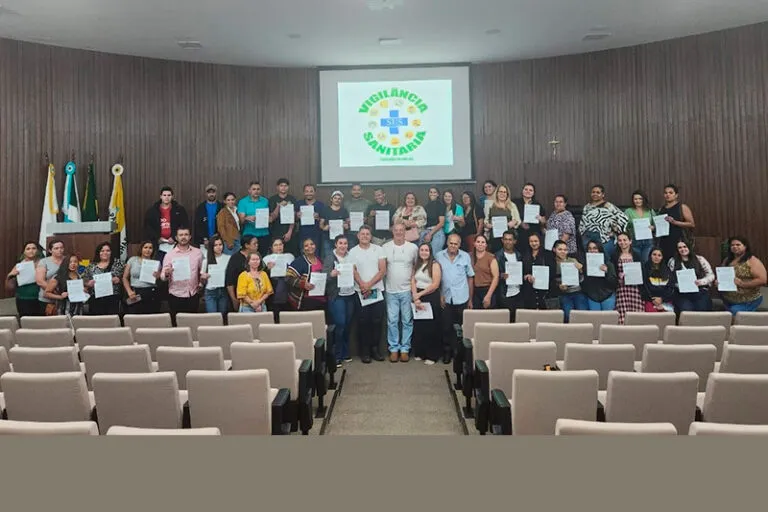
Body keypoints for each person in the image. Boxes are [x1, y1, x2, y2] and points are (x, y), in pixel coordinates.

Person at [382, 222, 419, 362]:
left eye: (401, 230)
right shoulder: (385, 247)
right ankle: (393, 349)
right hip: (390, 290)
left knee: (407, 321)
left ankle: (405, 349)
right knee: (392, 321)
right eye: (396, 230)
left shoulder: (413, 248)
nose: (398, 232)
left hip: (407, 290)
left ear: (405, 232)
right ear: (392, 232)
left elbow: (416, 266)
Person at [350, 225, 387, 363]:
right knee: (363, 321)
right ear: (358, 236)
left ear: (371, 236)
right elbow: (353, 271)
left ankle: (375, 350)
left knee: (377, 321)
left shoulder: (379, 249)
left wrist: (369, 285)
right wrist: (363, 285)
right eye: (362, 234)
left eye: (367, 234)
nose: (365, 236)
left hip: (376, 291)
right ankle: (364, 351)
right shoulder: (352, 251)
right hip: (360, 292)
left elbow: (382, 270)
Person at [436, 233, 474, 364]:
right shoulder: (439, 256)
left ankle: (459, 354)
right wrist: (440, 294)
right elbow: (436, 278)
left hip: (462, 297)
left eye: (455, 244)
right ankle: (447, 352)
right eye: (451, 243)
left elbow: (470, 277)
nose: (453, 246)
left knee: (461, 329)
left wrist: (470, 299)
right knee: (446, 327)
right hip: (446, 298)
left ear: (459, 245)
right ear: (447, 243)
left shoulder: (465, 256)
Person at [323, 234, 356, 365]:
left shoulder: (351, 256)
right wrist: (331, 274)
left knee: (347, 325)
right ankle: (336, 355)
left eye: (345, 243)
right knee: (340, 324)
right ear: (335, 244)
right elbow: (323, 276)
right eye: (340, 243)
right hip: (337, 295)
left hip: (350, 294)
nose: (343, 246)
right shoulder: (330, 257)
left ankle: (345, 353)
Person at [160, 227, 205, 322]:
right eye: (181, 235)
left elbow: (202, 271)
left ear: (190, 237)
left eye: (186, 234)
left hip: (192, 294)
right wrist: (167, 274)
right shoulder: (169, 255)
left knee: (192, 324)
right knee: (176, 325)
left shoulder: (198, 253)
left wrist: (201, 284)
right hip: (175, 295)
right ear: (176, 237)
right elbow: (163, 277)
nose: (183, 237)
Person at [717, 236, 767, 315]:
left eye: (738, 245)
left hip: (748, 300)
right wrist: (719, 282)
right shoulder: (727, 260)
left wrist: (742, 284)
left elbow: (762, 280)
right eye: (732, 245)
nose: (735, 247)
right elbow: (722, 275)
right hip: (728, 299)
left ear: (745, 246)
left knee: (735, 314)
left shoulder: (752, 260)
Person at [411, 242, 443, 365]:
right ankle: (421, 352)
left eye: (426, 250)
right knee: (420, 326)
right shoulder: (417, 264)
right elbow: (413, 280)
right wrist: (415, 296)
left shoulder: (435, 265)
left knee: (431, 327)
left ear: (430, 252)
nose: (424, 252)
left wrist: (420, 294)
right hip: (418, 296)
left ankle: (432, 355)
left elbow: (435, 284)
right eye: (422, 250)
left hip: (430, 296)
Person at [578, 184, 627, 260]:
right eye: (593, 192)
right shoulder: (587, 207)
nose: (595, 194)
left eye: (598, 192)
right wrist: (582, 233)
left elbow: (623, 218)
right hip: (587, 236)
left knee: (604, 259)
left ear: (603, 194)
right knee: (590, 259)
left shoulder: (608, 205)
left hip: (602, 237)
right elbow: (583, 222)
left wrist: (615, 231)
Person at [143, 186, 189, 260]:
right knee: (159, 264)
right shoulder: (152, 211)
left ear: (172, 196)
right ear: (160, 196)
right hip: (158, 245)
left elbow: (184, 225)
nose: (166, 197)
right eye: (164, 195)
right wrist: (157, 238)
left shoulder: (180, 210)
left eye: (169, 195)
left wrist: (174, 237)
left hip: (176, 244)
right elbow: (148, 227)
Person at [668, 240, 714, 313]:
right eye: (680, 247)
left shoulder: (700, 259)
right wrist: (678, 285)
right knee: (686, 310)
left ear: (689, 247)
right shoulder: (672, 261)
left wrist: (702, 282)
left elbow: (711, 275)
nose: (683, 249)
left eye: (685, 247)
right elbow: (670, 278)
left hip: (700, 291)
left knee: (702, 309)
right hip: (682, 293)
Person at [657, 184, 696, 262]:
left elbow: (692, 224)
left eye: (670, 193)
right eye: (666, 193)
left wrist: (675, 222)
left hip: (679, 240)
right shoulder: (661, 209)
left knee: (679, 262)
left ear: (676, 195)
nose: (668, 195)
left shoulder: (682, 207)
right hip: (664, 241)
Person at [83, 242, 125, 316]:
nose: (105, 253)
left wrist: (119, 280)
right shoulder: (91, 266)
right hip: (96, 299)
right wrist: (88, 283)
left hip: (113, 298)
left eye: (108, 251)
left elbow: (127, 278)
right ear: (98, 253)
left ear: (111, 252)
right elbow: (84, 280)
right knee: (97, 320)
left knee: (112, 320)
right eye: (102, 251)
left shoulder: (119, 264)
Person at [286, 238, 326, 312]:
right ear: (303, 249)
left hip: (322, 299)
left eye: (312, 244)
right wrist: (303, 284)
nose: (310, 246)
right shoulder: (299, 262)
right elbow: (288, 278)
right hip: (306, 300)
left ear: (315, 246)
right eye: (306, 245)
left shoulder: (321, 261)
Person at [122, 240, 162, 315]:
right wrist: (129, 291)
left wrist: (158, 276)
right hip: (135, 292)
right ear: (141, 249)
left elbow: (160, 279)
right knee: (134, 316)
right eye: (145, 247)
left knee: (150, 317)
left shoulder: (156, 263)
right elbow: (125, 278)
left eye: (150, 248)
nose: (148, 250)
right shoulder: (132, 260)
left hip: (151, 292)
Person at [612, 233, 644, 324]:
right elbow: (613, 273)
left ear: (630, 241)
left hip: (635, 289)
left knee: (637, 315)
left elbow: (642, 271)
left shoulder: (636, 255)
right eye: (620, 240)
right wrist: (618, 276)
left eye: (625, 240)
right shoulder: (615, 255)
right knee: (622, 315)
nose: (622, 242)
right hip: (622, 289)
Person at [552, 240, 587, 322]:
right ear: (554, 250)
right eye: (560, 249)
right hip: (564, 294)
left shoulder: (573, 260)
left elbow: (582, 279)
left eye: (565, 250)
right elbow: (551, 280)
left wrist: (581, 270)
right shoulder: (552, 263)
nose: (563, 252)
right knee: (568, 316)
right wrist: (559, 286)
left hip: (577, 291)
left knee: (582, 314)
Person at [6, 241, 43, 318]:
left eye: (33, 248)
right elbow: (9, 287)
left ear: (37, 250)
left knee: (41, 321)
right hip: (23, 299)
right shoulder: (19, 265)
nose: (31, 250)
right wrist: (10, 275)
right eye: (28, 249)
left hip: (41, 298)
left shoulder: (43, 263)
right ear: (24, 252)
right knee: (26, 321)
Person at [225, 235, 261, 311]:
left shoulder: (258, 256)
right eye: (254, 243)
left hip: (258, 297)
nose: (257, 245)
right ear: (247, 245)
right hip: (241, 297)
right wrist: (234, 299)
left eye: (257, 243)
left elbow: (262, 274)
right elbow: (229, 280)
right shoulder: (235, 258)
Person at [262, 238, 295, 322]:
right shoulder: (266, 259)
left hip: (287, 286)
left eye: (280, 244)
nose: (278, 247)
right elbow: (262, 276)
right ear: (271, 248)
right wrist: (267, 269)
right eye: (275, 245)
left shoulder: (290, 256)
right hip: (274, 288)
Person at [495, 230, 525, 322]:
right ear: (502, 240)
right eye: (505, 239)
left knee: (518, 321)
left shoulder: (519, 255)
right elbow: (493, 275)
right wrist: (500, 276)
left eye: (510, 239)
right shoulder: (497, 256)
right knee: (505, 322)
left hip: (518, 293)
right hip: (504, 294)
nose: (508, 242)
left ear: (514, 241)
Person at [484, 184, 521, 254]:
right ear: (497, 193)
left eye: (504, 192)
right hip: (494, 237)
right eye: (500, 192)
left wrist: (514, 222)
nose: (502, 194)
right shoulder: (490, 205)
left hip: (508, 238)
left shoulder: (512, 205)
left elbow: (518, 220)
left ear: (507, 194)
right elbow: (486, 220)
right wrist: (487, 225)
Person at [582, 240, 618, 311]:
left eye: (595, 248)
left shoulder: (608, 264)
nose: (592, 251)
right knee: (595, 317)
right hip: (592, 297)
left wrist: (607, 272)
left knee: (608, 317)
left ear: (600, 249)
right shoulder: (584, 264)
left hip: (607, 296)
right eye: (589, 248)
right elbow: (584, 284)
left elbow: (614, 283)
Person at [522, 232, 556, 309]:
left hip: (545, 291)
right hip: (529, 291)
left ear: (540, 241)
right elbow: (522, 272)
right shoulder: (525, 254)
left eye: (536, 241)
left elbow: (553, 271)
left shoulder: (548, 254)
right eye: (531, 241)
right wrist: (526, 276)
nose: (534, 243)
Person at [513, 182, 547, 256]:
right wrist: (520, 223)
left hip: (534, 233)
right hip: (520, 233)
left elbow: (544, 221)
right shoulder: (515, 203)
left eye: (530, 190)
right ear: (522, 191)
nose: (528, 191)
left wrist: (541, 219)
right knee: (521, 254)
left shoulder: (537, 204)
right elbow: (512, 216)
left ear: (533, 193)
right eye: (526, 189)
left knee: (533, 254)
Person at [238, 181, 271, 252]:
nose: (256, 191)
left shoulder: (265, 201)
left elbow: (269, 216)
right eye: (254, 189)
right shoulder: (243, 202)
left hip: (264, 234)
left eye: (258, 189)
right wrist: (247, 218)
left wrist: (269, 219)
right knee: (249, 256)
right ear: (249, 190)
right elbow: (241, 220)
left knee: (263, 256)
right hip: (249, 234)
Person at [623, 190, 655, 263]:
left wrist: (653, 227)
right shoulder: (628, 211)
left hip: (648, 241)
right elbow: (624, 226)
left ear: (644, 199)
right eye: (635, 199)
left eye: (640, 199)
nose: (638, 201)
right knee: (636, 262)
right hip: (634, 241)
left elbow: (656, 225)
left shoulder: (650, 211)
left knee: (646, 261)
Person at [202, 235, 231, 315]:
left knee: (223, 315)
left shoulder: (228, 258)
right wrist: (204, 277)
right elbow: (202, 281)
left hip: (223, 290)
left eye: (220, 244)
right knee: (212, 317)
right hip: (210, 291)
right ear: (211, 247)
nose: (218, 247)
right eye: (215, 245)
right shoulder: (206, 260)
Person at [35, 239, 65, 316]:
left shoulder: (68, 260)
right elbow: (40, 281)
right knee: (49, 322)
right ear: (50, 250)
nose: (60, 250)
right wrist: (55, 292)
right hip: (48, 300)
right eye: (56, 248)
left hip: (65, 299)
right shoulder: (44, 261)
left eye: (61, 248)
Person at [268, 178, 298, 255]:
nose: (283, 188)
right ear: (277, 187)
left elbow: (293, 217)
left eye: (285, 186)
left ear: (288, 187)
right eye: (281, 186)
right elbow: (272, 218)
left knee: (291, 254)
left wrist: (289, 232)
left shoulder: (292, 199)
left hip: (289, 232)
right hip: (276, 231)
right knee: (277, 253)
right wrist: (278, 206)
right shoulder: (272, 199)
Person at [295, 184, 325, 258]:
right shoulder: (299, 204)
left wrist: (318, 218)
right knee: (303, 257)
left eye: (311, 191)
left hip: (316, 235)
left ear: (315, 192)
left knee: (316, 257)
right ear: (304, 192)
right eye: (307, 191)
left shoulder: (321, 205)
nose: (309, 193)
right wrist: (297, 216)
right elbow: (294, 220)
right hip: (302, 235)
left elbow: (324, 221)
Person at [642, 248, 676, 313]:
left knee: (668, 314)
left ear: (662, 257)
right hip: (650, 300)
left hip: (665, 300)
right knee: (652, 313)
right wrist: (653, 299)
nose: (656, 257)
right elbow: (644, 288)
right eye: (654, 254)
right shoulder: (644, 269)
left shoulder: (667, 270)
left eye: (659, 255)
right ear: (650, 256)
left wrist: (662, 299)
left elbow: (671, 287)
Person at [319, 190, 350, 261]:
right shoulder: (325, 210)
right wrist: (324, 228)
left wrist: (346, 226)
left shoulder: (344, 211)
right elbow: (321, 225)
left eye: (339, 199)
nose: (337, 200)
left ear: (341, 200)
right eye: (335, 198)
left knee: (341, 258)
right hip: (327, 239)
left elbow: (348, 224)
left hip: (340, 240)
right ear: (331, 199)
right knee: (328, 258)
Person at [470, 234, 499, 310]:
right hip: (474, 291)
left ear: (486, 245)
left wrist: (488, 296)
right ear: (474, 244)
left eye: (483, 242)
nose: (480, 244)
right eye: (478, 242)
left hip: (488, 290)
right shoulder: (469, 256)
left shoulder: (491, 257)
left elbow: (496, 277)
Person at [193, 184, 223, 249]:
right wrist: (204, 239)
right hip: (204, 242)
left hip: (219, 241)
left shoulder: (221, 207)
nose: (211, 194)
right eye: (209, 192)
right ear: (206, 194)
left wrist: (219, 236)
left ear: (216, 193)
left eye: (213, 192)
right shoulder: (200, 208)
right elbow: (197, 225)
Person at [344, 183, 372, 248]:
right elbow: (343, 218)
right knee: (351, 251)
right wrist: (346, 221)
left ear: (362, 191)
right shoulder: (346, 203)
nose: (356, 192)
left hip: (364, 234)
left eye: (358, 190)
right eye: (354, 190)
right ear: (351, 191)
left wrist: (367, 219)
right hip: (350, 233)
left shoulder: (368, 203)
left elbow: (371, 220)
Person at [422, 186, 446, 254]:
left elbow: (441, 223)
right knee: (424, 254)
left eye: (434, 192)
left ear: (438, 194)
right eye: (431, 192)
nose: (432, 194)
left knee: (435, 254)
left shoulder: (440, 205)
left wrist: (430, 234)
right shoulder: (426, 206)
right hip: (426, 231)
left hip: (437, 232)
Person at [216, 192, 241, 256]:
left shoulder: (237, 210)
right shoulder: (222, 212)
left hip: (237, 238)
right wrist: (228, 241)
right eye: (228, 200)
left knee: (237, 258)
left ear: (235, 200)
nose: (231, 202)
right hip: (229, 240)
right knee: (228, 259)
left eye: (232, 199)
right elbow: (221, 228)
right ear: (225, 201)